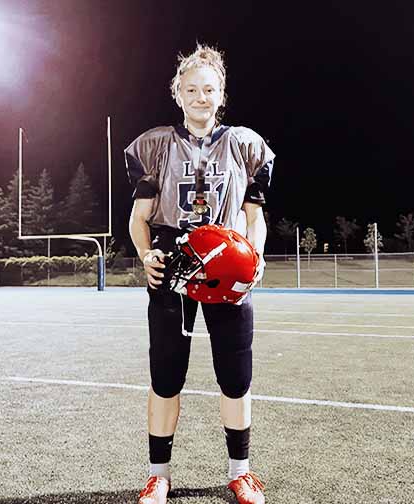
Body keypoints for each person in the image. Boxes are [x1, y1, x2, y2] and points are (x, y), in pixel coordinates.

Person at [125, 43, 274, 504]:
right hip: (174, 264)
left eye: (209, 89)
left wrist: (258, 255)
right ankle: (158, 475)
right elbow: (138, 217)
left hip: (228, 265)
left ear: (221, 92)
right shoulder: (155, 146)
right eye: (192, 89)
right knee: (166, 375)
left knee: (236, 373)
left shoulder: (246, 145)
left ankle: (241, 472)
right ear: (178, 93)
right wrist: (146, 253)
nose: (201, 97)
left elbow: (254, 217)